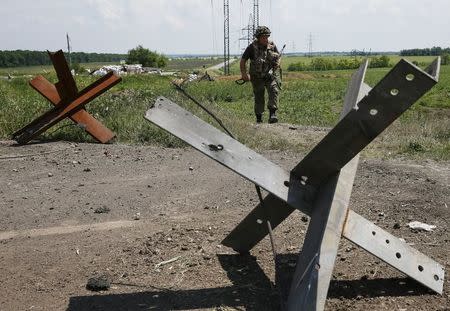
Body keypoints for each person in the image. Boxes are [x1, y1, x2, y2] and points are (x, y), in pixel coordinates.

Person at [240, 26, 281, 123]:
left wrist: (278, 64)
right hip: (256, 77)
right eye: (263, 37)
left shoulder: (272, 45)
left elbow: (279, 56)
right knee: (259, 95)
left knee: (273, 90)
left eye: (267, 37)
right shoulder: (251, 47)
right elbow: (243, 61)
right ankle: (259, 118)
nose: (266, 39)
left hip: (269, 75)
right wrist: (244, 74)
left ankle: (272, 114)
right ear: (258, 37)